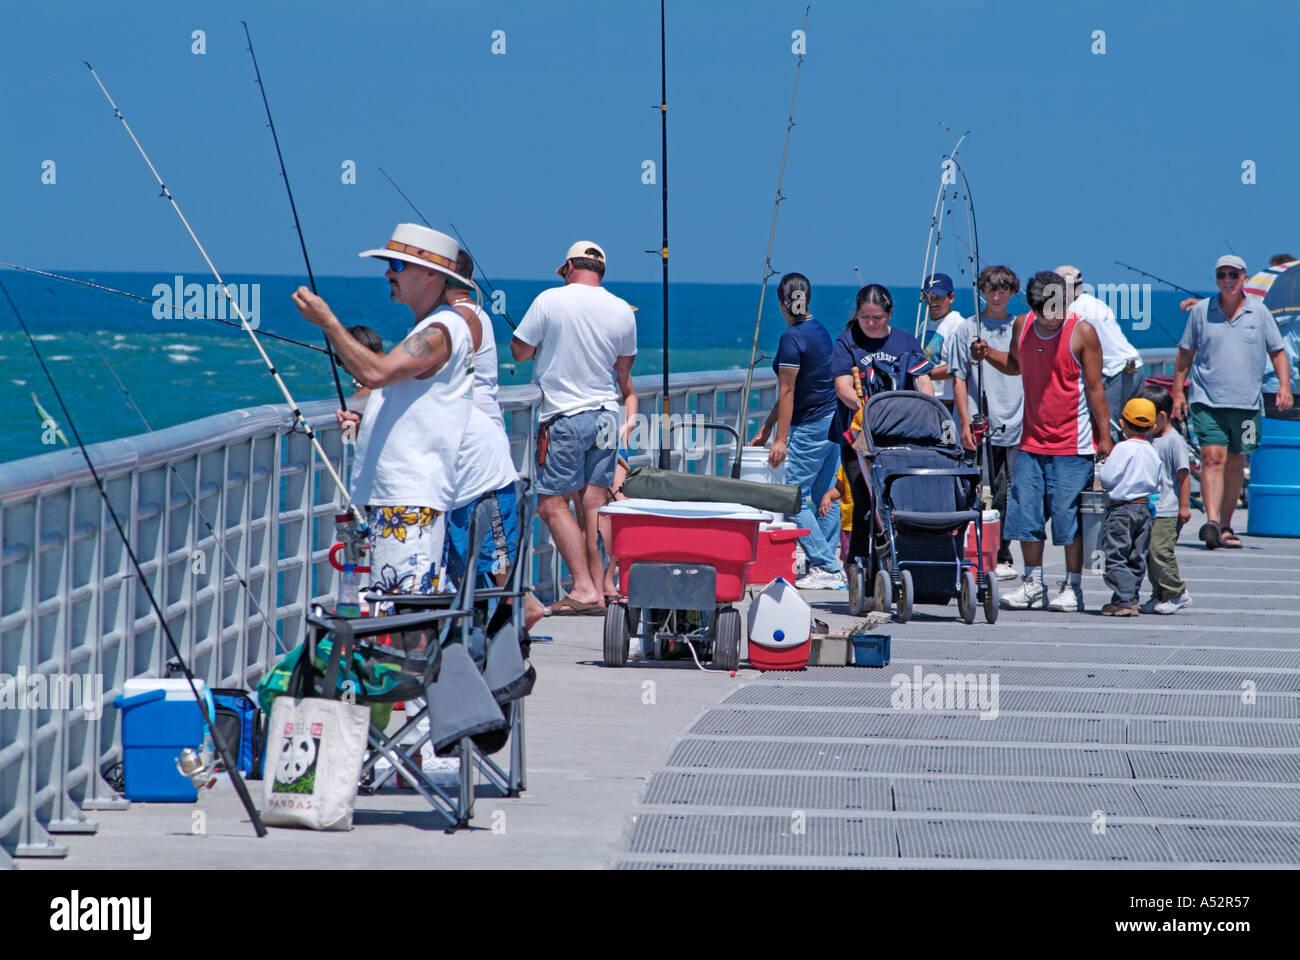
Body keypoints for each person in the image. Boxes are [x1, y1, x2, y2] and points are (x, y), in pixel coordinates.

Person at [292, 223, 475, 609]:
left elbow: (376, 374)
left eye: (397, 265)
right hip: (407, 499)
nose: (388, 273)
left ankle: (406, 671)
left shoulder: (440, 331)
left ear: (430, 274)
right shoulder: (435, 327)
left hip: (409, 500)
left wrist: (329, 323)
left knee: (399, 613)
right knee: (404, 609)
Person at [973, 270, 1113, 612]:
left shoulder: (1083, 332)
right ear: (1034, 308)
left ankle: (1073, 587)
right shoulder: (1022, 325)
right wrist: (986, 352)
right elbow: (1014, 365)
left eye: (1060, 309)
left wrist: (1106, 437)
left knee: (1067, 519)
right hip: (1031, 442)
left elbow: (1096, 389)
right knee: (1025, 515)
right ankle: (1033, 583)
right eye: (1047, 312)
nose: (1055, 318)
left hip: (1073, 444)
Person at [511, 241, 636, 614]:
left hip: (564, 416)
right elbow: (623, 371)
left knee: (550, 504)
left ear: (568, 266)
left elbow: (519, 350)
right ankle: (603, 585)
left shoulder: (550, 299)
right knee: (595, 502)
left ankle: (582, 588)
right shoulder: (621, 310)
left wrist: (543, 347)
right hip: (606, 415)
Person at [1171, 254, 1293, 548]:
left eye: (1233, 275)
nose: (1227, 280)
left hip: (1249, 404)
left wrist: (1284, 386)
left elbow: (1277, 351)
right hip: (1207, 400)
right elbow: (1185, 353)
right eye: (1222, 275)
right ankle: (1212, 522)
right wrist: (1177, 392)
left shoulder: (1259, 312)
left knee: (1237, 463)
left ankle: (1226, 525)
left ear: (1244, 279)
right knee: (1213, 458)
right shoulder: (1201, 311)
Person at [828, 284, 935, 569]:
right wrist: (870, 408)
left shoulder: (905, 341)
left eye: (877, 318)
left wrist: (929, 410)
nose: (871, 324)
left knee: (895, 502)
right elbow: (843, 387)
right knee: (864, 501)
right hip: (857, 436)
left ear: (890, 314)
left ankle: (899, 561)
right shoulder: (846, 342)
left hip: (898, 437)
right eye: (865, 318)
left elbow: (924, 383)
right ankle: (860, 566)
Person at [750, 272, 844, 588]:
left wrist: (780, 440)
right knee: (823, 493)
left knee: (791, 499)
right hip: (832, 419)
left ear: (781, 302)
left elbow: (788, 390)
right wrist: (767, 426)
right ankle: (829, 565)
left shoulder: (791, 339)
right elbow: (793, 389)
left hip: (811, 426)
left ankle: (828, 566)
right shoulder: (818, 330)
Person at [951, 265, 1025, 580]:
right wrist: (965, 423)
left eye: (1003, 289)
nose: (996, 295)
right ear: (981, 291)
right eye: (990, 289)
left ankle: (1001, 553)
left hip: (1017, 425)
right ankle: (969, 551)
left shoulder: (1021, 326)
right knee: (973, 490)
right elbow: (957, 378)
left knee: (1008, 494)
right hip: (979, 425)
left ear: (1012, 292)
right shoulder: (967, 329)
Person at [1056, 264, 1145, 430]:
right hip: (1134, 367)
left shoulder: (1074, 310)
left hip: (1116, 373)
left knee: (1107, 428)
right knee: (1136, 428)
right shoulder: (1095, 303)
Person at [1096, 398, 1161, 616]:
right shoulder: (1152, 451)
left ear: (1122, 423)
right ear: (1152, 427)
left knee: (1113, 556)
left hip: (1121, 510)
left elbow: (1107, 478)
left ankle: (1124, 599)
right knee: (1136, 556)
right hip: (1144, 508)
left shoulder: (1122, 448)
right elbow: (1156, 483)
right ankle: (1130, 599)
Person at [1137, 382, 1192, 614]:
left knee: (1160, 551)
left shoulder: (1173, 441)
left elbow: (1184, 475)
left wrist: (1184, 506)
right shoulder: (1148, 438)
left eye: (1146, 418)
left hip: (1168, 509)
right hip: (1151, 508)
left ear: (1161, 416)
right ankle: (1159, 593)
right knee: (1149, 554)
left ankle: (1177, 592)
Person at [919, 273, 965, 413]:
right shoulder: (923, 325)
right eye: (928, 297)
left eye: (937, 297)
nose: (932, 302)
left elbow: (956, 366)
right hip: (924, 399)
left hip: (947, 403)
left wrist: (923, 374)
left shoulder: (958, 325)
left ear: (951, 297)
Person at [817, 465, 853, 567]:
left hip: (871, 525)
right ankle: (852, 581)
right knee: (848, 557)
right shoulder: (846, 465)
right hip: (849, 525)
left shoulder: (876, 466)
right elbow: (839, 489)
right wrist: (827, 496)